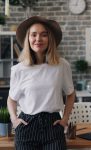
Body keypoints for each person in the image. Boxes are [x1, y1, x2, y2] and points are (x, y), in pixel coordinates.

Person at [7, 16, 75, 150]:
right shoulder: (18, 69)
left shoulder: (62, 65)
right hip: (26, 127)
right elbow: (11, 99)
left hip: (53, 126)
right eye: (34, 35)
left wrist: (65, 119)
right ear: (28, 39)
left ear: (50, 39)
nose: (38, 39)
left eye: (44, 35)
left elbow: (71, 94)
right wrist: (14, 119)